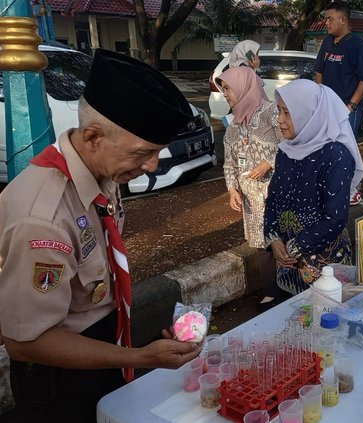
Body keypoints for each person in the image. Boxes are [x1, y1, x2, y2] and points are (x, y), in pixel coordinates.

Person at [0, 49, 202, 422]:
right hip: (58, 376)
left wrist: (133, 347)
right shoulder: (42, 219)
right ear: (93, 136)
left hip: (106, 342)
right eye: (143, 152)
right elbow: (26, 340)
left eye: (157, 152)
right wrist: (140, 357)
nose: (153, 166)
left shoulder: (101, 172)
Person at [264, 79, 363, 296]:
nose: (280, 120)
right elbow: (272, 199)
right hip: (288, 263)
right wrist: (273, 239)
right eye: (279, 111)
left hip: (324, 267)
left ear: (309, 115)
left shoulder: (336, 156)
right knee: (293, 321)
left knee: (325, 318)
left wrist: (293, 247)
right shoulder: (286, 151)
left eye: (287, 113)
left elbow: (335, 218)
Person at [217, 66, 282, 310]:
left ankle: (289, 286)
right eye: (223, 89)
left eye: (228, 88)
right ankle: (271, 291)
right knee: (260, 245)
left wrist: (268, 163)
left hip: (275, 192)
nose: (225, 93)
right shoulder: (234, 123)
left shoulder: (271, 112)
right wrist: (232, 188)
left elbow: (292, 144)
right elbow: (229, 162)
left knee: (282, 240)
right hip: (251, 198)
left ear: (244, 86)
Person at [314, 0, 363, 206]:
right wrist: (321, 98)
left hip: (348, 108)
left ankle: (351, 188)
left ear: (343, 19)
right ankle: (332, 185)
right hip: (327, 107)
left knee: (347, 148)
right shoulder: (327, 42)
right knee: (328, 147)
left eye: (329, 19)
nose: (326, 23)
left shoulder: (358, 45)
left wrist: (351, 106)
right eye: (325, 19)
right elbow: (319, 71)